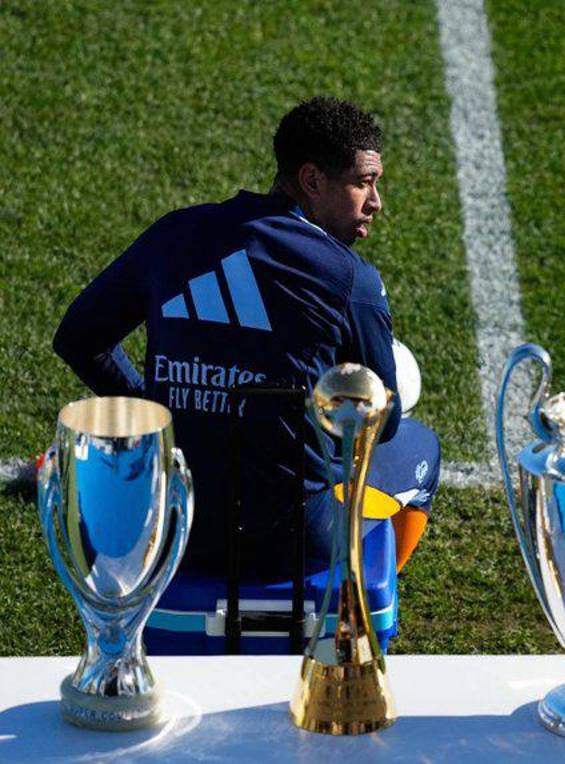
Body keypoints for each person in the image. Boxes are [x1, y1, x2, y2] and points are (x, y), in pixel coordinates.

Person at [52, 97, 439, 577]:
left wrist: (150, 407)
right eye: (364, 184)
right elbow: (385, 421)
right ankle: (357, 600)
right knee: (421, 446)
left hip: (175, 527)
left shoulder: (173, 234)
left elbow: (77, 338)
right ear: (313, 180)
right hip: (294, 542)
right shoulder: (349, 278)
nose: (376, 202)